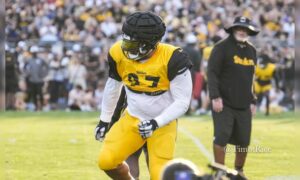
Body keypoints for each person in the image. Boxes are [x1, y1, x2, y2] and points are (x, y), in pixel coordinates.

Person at [94, 11, 192, 180]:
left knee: (160, 175)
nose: (126, 48)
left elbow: (183, 101)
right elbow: (113, 86)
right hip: (133, 117)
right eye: (126, 42)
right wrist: (104, 119)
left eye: (133, 45)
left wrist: (156, 122)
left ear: (150, 44)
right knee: (106, 161)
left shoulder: (173, 58)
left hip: (162, 123)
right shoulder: (117, 51)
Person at [207, 16, 259, 179]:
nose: (242, 32)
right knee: (221, 136)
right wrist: (215, 96)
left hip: (244, 104)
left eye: (245, 29)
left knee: (244, 141)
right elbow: (212, 73)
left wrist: (253, 100)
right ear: (233, 30)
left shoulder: (251, 50)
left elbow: (252, 77)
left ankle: (239, 170)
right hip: (224, 102)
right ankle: (220, 170)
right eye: (239, 28)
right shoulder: (221, 48)